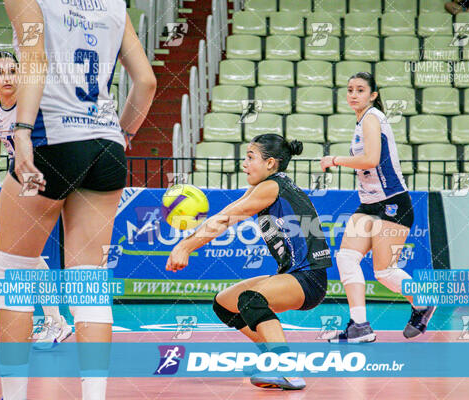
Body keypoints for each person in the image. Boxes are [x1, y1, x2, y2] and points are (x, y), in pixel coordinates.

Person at [0, 1, 156, 399]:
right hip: (105, 144)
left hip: (52, 136)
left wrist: (21, 132)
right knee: (90, 281)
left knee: (12, 271)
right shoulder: (115, 5)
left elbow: (34, 60)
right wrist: (124, 134)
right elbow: (147, 82)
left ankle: (13, 395)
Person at [166, 134, 332, 390]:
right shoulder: (266, 186)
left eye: (251, 157)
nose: (244, 163)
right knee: (224, 304)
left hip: (309, 279)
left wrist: (185, 246)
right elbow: (225, 214)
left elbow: (225, 219)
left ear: (270, 163)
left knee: (251, 300)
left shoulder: (272, 187)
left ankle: (288, 371)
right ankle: (271, 356)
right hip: (292, 274)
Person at [320, 72, 436, 343]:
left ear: (373, 95)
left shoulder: (372, 117)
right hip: (370, 203)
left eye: (360, 90)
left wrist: (335, 160)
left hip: (393, 202)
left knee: (384, 271)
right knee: (346, 257)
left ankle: (423, 301)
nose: (353, 94)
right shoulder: (362, 120)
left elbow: (371, 159)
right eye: (349, 89)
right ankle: (359, 326)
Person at [0, 51, 72, 352]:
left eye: (13, 71)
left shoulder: (34, 99)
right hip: (19, 178)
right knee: (10, 256)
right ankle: (23, 326)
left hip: (45, 172)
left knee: (15, 256)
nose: (7, 77)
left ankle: (53, 322)